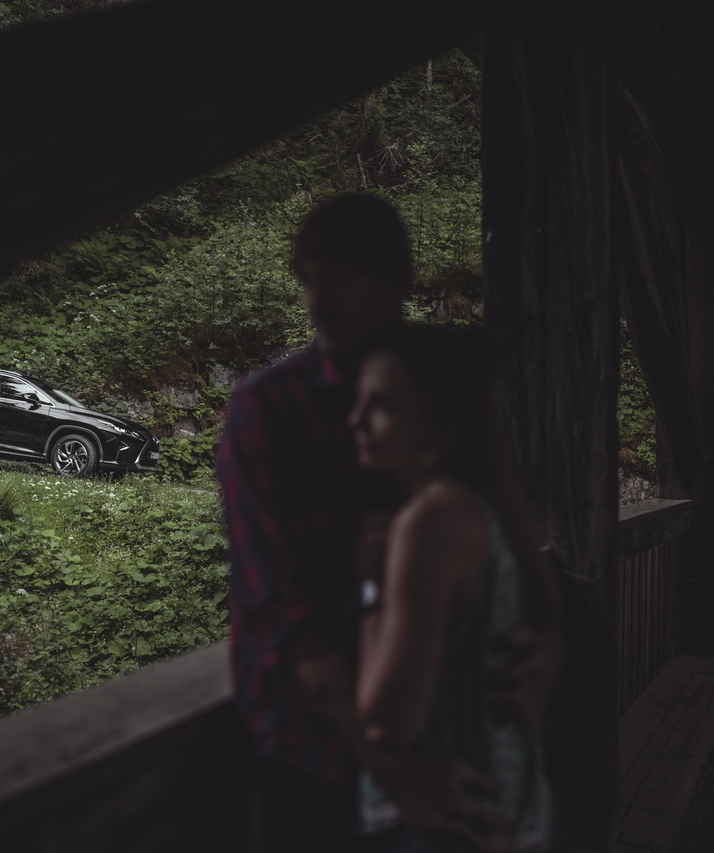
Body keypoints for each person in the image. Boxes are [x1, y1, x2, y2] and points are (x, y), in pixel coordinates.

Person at [216, 192, 563, 851]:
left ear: (392, 284)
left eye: (336, 278)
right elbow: (282, 609)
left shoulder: (433, 383)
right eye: (306, 279)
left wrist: (543, 643)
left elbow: (501, 526)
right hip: (318, 748)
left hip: (440, 739)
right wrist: (397, 774)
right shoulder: (268, 410)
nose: (315, 300)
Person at [349, 325, 566, 852]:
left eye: (382, 404)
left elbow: (387, 720)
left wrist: (370, 589)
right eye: (359, 400)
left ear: (438, 418)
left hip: (452, 822)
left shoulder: (430, 520)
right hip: (508, 803)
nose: (356, 419)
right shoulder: (481, 508)